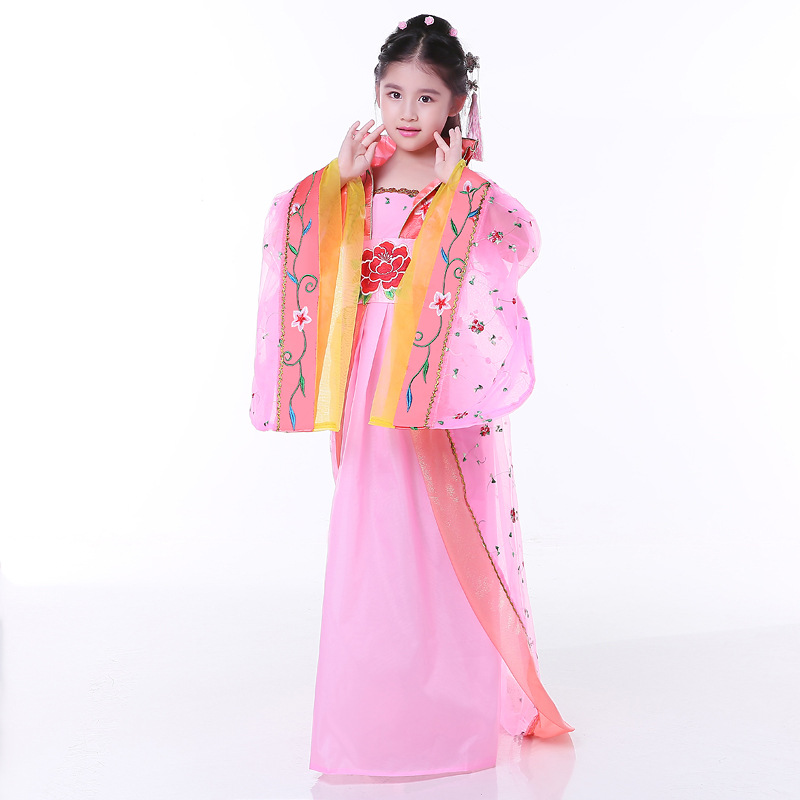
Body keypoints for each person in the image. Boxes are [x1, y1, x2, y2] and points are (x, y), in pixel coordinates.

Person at [249, 13, 573, 777]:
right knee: (376, 528)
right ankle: (374, 703)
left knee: (441, 528)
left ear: (455, 105)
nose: (406, 112)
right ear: (376, 93)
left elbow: (517, 242)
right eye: (393, 93)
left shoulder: (463, 186)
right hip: (370, 371)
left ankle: (450, 708)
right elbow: (290, 229)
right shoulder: (357, 176)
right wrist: (334, 181)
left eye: (426, 98)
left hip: (436, 379)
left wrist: (460, 187)